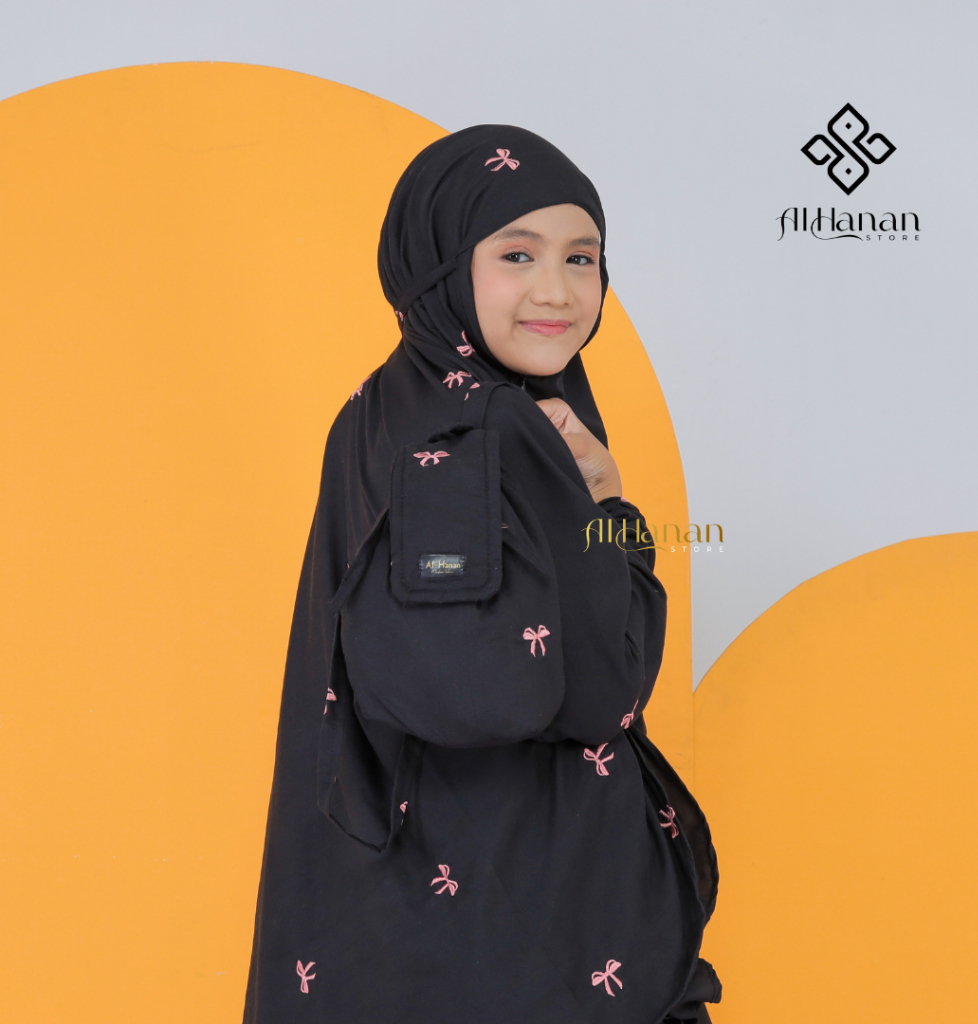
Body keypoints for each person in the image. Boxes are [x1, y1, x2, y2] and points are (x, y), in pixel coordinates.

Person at [243, 124, 721, 1024]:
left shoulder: (376, 409)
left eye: (582, 258)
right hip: (533, 919)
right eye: (517, 254)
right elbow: (594, 694)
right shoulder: (504, 428)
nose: (557, 291)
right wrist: (610, 515)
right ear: (441, 265)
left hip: (395, 908)